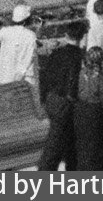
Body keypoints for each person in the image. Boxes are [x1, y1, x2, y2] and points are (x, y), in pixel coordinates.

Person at [35, 23, 83, 171]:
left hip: (51, 98)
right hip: (65, 101)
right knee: (58, 140)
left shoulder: (56, 53)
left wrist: (43, 98)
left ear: (66, 36)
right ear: (82, 37)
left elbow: (44, 76)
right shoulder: (79, 56)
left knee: (65, 136)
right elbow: (73, 81)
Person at [73, 47, 103, 171]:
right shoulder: (100, 77)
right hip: (94, 111)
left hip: (79, 110)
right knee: (97, 141)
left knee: (83, 141)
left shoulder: (79, 74)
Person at [0, 4, 39, 87]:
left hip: (5, 75)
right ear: (26, 20)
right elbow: (30, 55)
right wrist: (22, 71)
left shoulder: (5, 31)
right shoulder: (31, 35)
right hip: (24, 78)